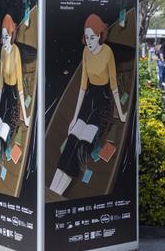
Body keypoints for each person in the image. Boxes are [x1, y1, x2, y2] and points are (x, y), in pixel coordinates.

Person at [50, 14, 126, 195]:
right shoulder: (85, 52)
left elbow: (114, 85)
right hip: (89, 99)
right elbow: (83, 86)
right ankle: (52, 190)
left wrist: (121, 114)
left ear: (100, 35)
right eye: (87, 37)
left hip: (103, 104)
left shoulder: (107, 52)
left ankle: (58, 192)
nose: (89, 42)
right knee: (72, 142)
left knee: (82, 146)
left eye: (92, 37)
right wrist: (74, 118)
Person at [0, 15, 31, 185]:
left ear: (12, 35)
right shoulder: (3, 52)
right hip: (4, 97)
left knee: (0, 137)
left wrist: (25, 116)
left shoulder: (16, 52)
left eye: (6, 36)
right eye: (2, 36)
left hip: (12, 102)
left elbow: (19, 87)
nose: (4, 40)